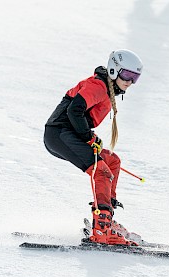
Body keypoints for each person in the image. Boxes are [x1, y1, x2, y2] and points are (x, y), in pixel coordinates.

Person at [44, 49, 143, 246]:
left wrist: (89, 136)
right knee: (101, 171)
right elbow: (74, 110)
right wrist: (88, 137)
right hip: (59, 133)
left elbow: (80, 117)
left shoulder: (108, 89)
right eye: (127, 75)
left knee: (112, 161)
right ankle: (101, 229)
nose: (130, 81)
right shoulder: (98, 85)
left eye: (135, 78)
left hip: (68, 133)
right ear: (114, 71)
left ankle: (107, 219)